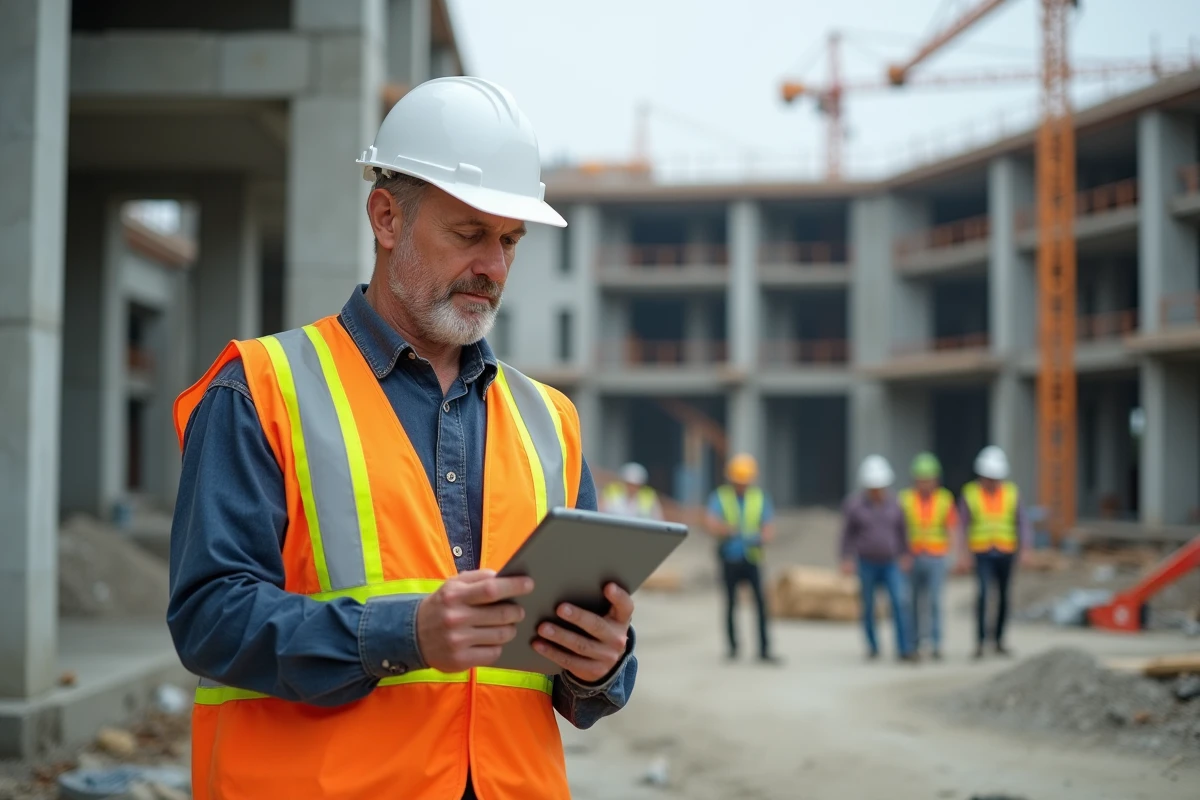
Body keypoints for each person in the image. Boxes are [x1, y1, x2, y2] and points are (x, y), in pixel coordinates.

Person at [166, 76, 637, 800]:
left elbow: (575, 687)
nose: (495, 267)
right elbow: (207, 619)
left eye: (510, 240)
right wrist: (405, 633)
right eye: (469, 233)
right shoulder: (259, 388)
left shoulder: (550, 420)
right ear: (386, 217)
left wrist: (600, 664)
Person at [704, 454, 781, 664]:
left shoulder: (760, 497)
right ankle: (732, 647)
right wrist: (728, 530)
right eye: (738, 481)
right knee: (730, 604)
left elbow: (769, 528)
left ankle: (764, 649)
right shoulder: (720, 497)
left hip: (752, 558)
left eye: (744, 481)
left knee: (761, 604)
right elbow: (710, 523)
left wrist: (761, 537)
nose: (741, 485)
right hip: (729, 558)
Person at [959, 445, 1032, 660]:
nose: (991, 482)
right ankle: (980, 641)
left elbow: (1022, 523)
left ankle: (999, 640)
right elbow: (962, 525)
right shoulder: (970, 494)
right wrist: (962, 554)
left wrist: (1025, 548)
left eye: (995, 478)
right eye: (988, 477)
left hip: (1005, 552)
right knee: (982, 595)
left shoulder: (1011, 493)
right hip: (982, 552)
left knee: (1003, 597)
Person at [840, 455, 916, 663]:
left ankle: (904, 648)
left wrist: (906, 554)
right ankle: (872, 646)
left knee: (900, 603)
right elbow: (847, 534)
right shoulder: (854, 506)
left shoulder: (896, 505)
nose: (876, 491)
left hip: (891, 562)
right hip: (866, 562)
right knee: (868, 606)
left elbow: (903, 532)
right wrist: (846, 558)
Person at [897, 452, 958, 661]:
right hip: (912, 557)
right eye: (921, 479)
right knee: (912, 602)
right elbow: (898, 530)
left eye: (928, 478)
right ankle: (913, 643)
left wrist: (952, 555)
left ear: (936, 479)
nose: (924, 483)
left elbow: (951, 528)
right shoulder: (905, 499)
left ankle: (935, 642)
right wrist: (901, 555)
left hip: (936, 556)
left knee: (933, 602)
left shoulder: (944, 499)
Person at [600, 462, 664, 520]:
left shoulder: (649, 496)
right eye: (629, 484)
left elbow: (658, 519)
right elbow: (600, 511)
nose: (632, 488)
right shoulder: (611, 491)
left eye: (635, 485)